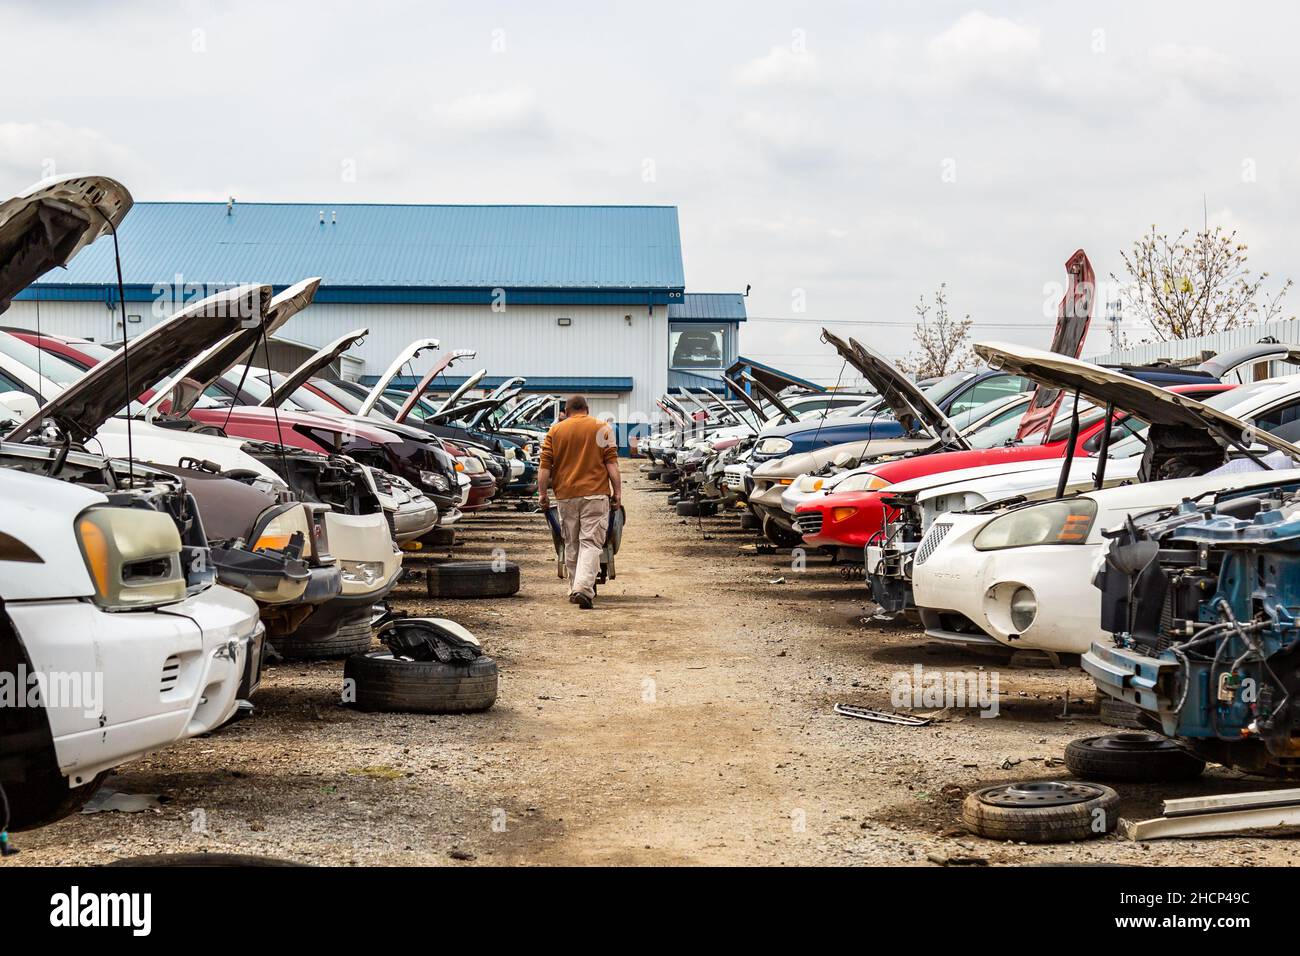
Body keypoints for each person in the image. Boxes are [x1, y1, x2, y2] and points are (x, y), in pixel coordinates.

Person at [537, 395, 621, 609]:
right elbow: (612, 464)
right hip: (595, 494)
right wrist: (617, 492)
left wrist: (542, 495)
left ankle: (575, 587)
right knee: (591, 542)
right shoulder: (602, 428)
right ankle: (583, 588)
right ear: (587, 408)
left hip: (565, 495)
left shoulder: (555, 431)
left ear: (566, 411)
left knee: (571, 542)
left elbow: (544, 467)